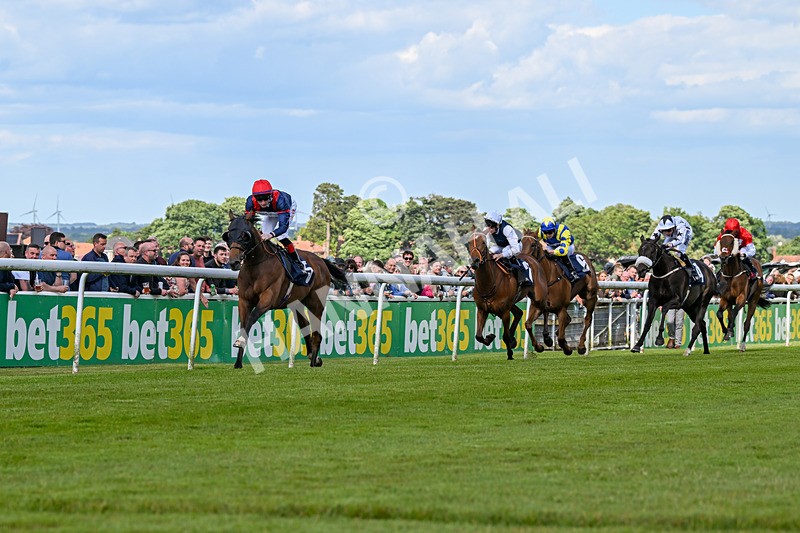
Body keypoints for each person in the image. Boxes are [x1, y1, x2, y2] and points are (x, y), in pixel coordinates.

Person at [245, 178, 306, 270]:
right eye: (259, 200)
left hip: (285, 209)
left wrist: (271, 235)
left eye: (265, 199)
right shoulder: (250, 202)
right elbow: (247, 223)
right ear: (254, 198)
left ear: (271, 195)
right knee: (263, 235)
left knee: (280, 236)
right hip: (271, 212)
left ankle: (296, 260)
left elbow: (283, 227)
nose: (263, 203)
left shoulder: (281, 200)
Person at [483, 210, 531, 286]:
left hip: (515, 246)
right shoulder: (488, 229)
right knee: (491, 251)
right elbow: (487, 246)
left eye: (491, 226)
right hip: (501, 245)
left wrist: (501, 255)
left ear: (497, 225)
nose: (489, 229)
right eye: (487, 225)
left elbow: (516, 250)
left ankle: (522, 267)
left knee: (505, 251)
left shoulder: (507, 229)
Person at [651, 214, 701, 284]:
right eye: (664, 231)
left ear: (673, 227)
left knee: (678, 253)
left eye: (668, 230)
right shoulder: (660, 227)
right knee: (663, 250)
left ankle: (692, 270)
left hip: (686, 234)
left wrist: (671, 244)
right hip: (674, 234)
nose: (666, 233)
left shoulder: (681, 225)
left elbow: (680, 240)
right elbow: (652, 239)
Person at [537, 216, 579, 281]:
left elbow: (563, 251)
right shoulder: (540, 231)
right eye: (545, 232)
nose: (547, 235)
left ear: (555, 229)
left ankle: (573, 272)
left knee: (562, 256)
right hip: (552, 245)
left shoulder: (563, 230)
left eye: (550, 232)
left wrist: (553, 252)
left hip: (567, 246)